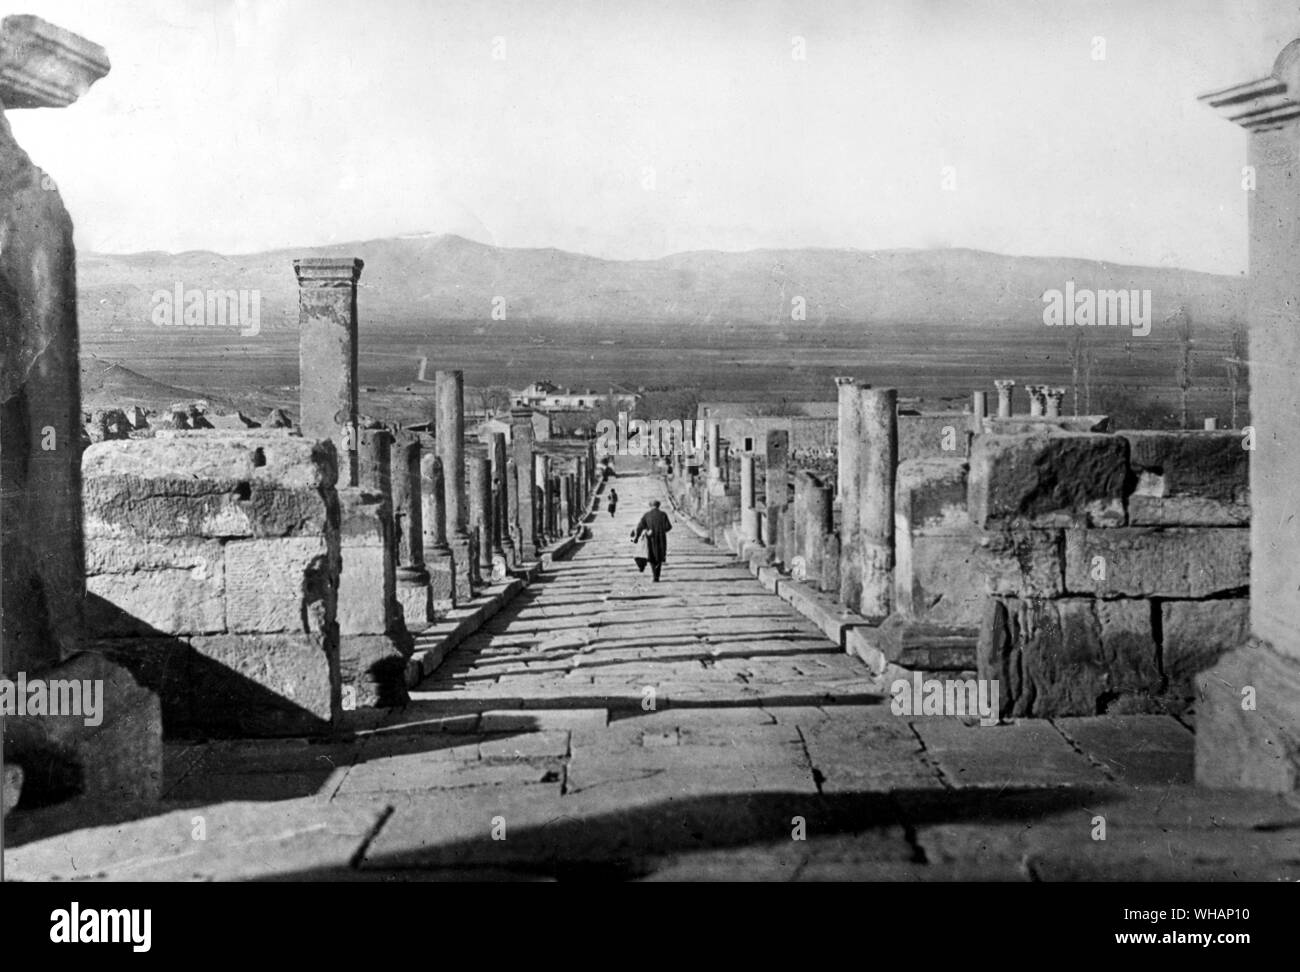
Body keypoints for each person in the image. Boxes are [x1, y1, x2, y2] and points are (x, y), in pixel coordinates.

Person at [632, 499, 672, 581]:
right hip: (661, 538)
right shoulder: (663, 514)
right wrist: (661, 530)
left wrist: (636, 537)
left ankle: (654, 576)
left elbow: (640, 527)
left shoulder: (647, 515)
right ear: (658, 506)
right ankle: (657, 576)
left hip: (650, 538)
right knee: (659, 556)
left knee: (652, 556)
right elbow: (668, 527)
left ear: (650, 506)